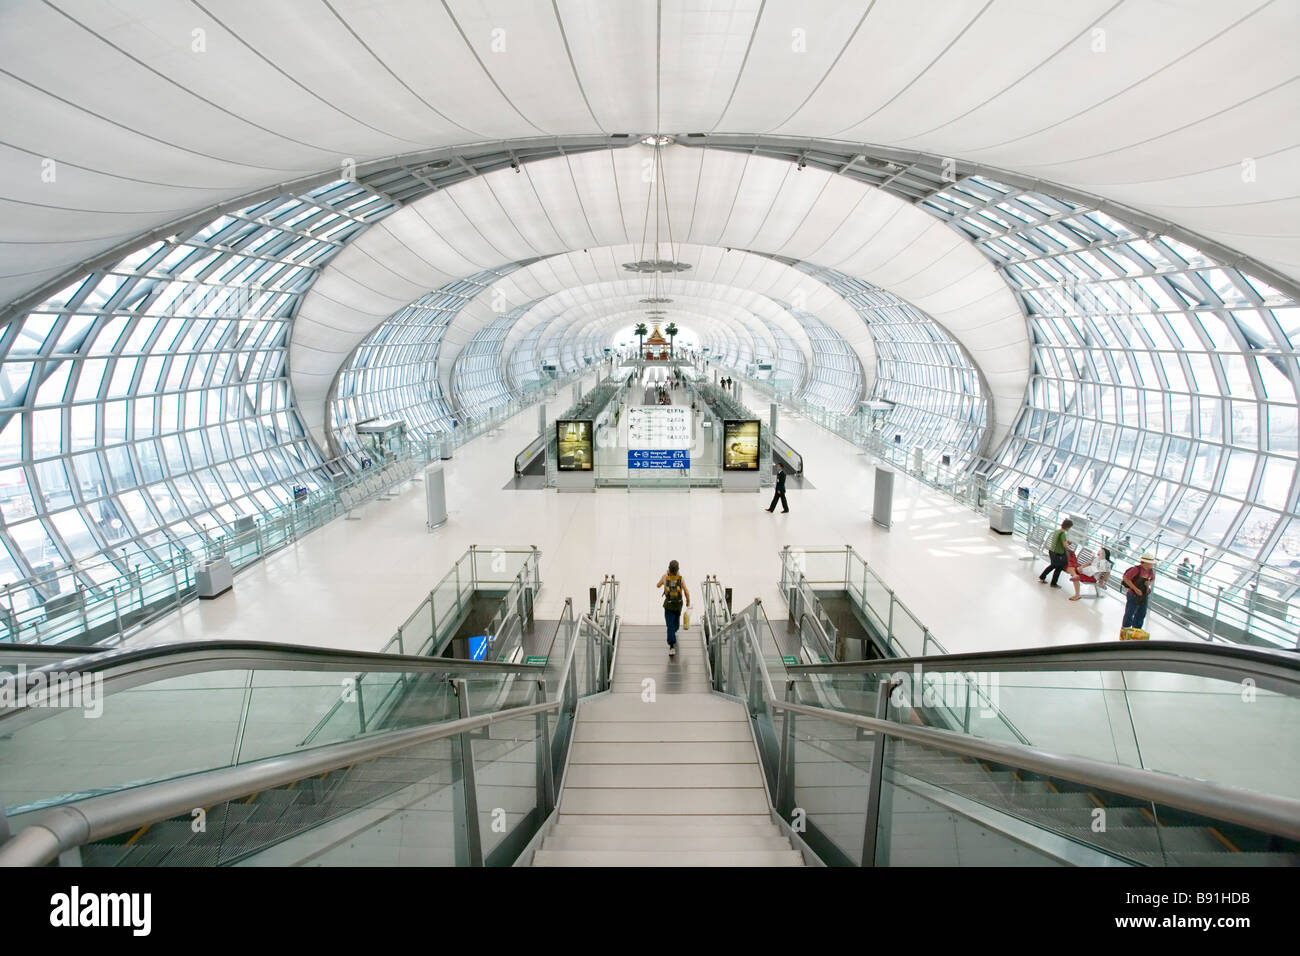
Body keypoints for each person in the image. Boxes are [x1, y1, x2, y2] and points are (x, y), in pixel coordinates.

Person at [656, 560, 691, 657]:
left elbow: (658, 585)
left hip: (669, 604)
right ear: (678, 569)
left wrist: (662, 584)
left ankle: (671, 645)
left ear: (669, 568)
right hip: (679, 604)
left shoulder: (665, 577)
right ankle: (675, 630)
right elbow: (686, 591)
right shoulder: (680, 579)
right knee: (676, 619)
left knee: (669, 624)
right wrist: (688, 601)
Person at [1120, 554, 1157, 634]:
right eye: (1151, 563)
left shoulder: (1151, 571)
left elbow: (1153, 579)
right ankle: (1125, 630)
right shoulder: (1136, 569)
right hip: (1133, 594)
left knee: (1141, 613)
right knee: (1130, 612)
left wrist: (1149, 583)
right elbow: (1126, 578)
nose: (1152, 564)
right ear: (1145, 562)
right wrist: (1135, 589)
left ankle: (1136, 630)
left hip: (1144, 594)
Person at [1038, 518, 1073, 588]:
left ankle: (1043, 577)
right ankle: (1052, 582)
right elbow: (1065, 546)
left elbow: (1059, 542)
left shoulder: (1057, 531)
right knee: (1058, 567)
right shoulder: (1063, 534)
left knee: (1054, 565)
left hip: (1052, 551)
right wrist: (1070, 549)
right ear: (1068, 527)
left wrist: (1066, 543)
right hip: (1058, 553)